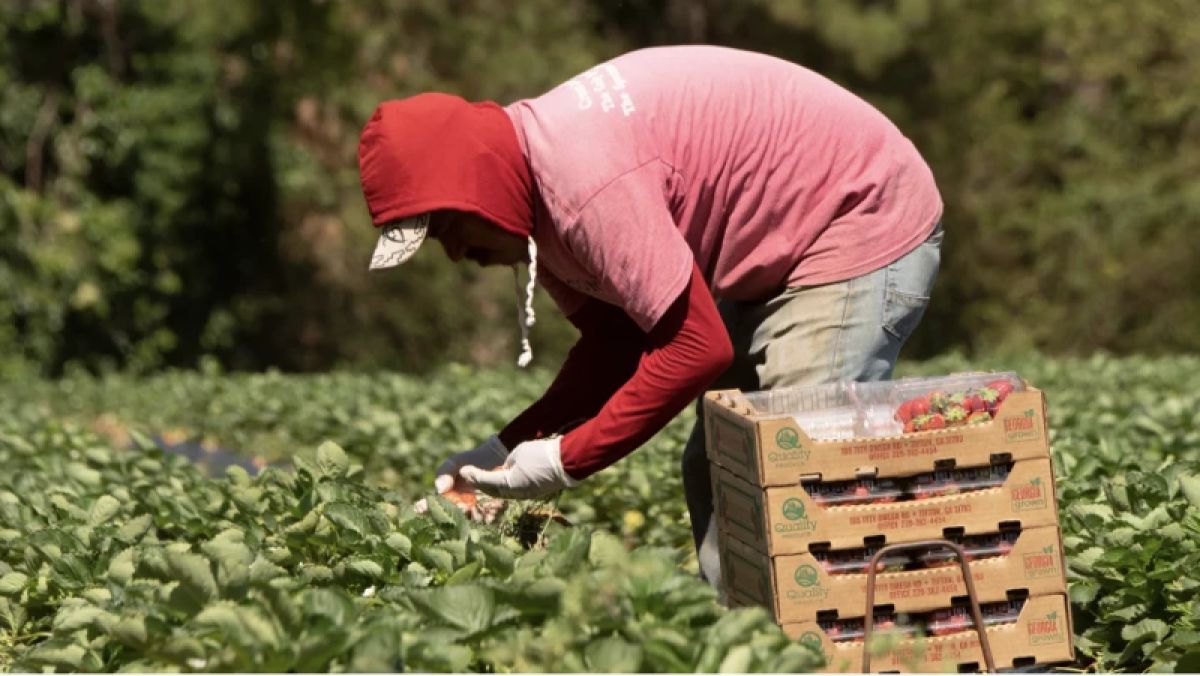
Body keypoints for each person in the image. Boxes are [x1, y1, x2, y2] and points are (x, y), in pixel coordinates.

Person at [357, 45, 943, 591]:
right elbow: (617, 346)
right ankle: (757, 648)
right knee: (720, 461)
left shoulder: (584, 189)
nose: (457, 254)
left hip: (854, 210)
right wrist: (501, 450)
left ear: (477, 188)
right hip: (781, 243)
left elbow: (697, 348)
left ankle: (904, 621)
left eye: (449, 229)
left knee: (794, 454)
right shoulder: (541, 201)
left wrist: (568, 459)